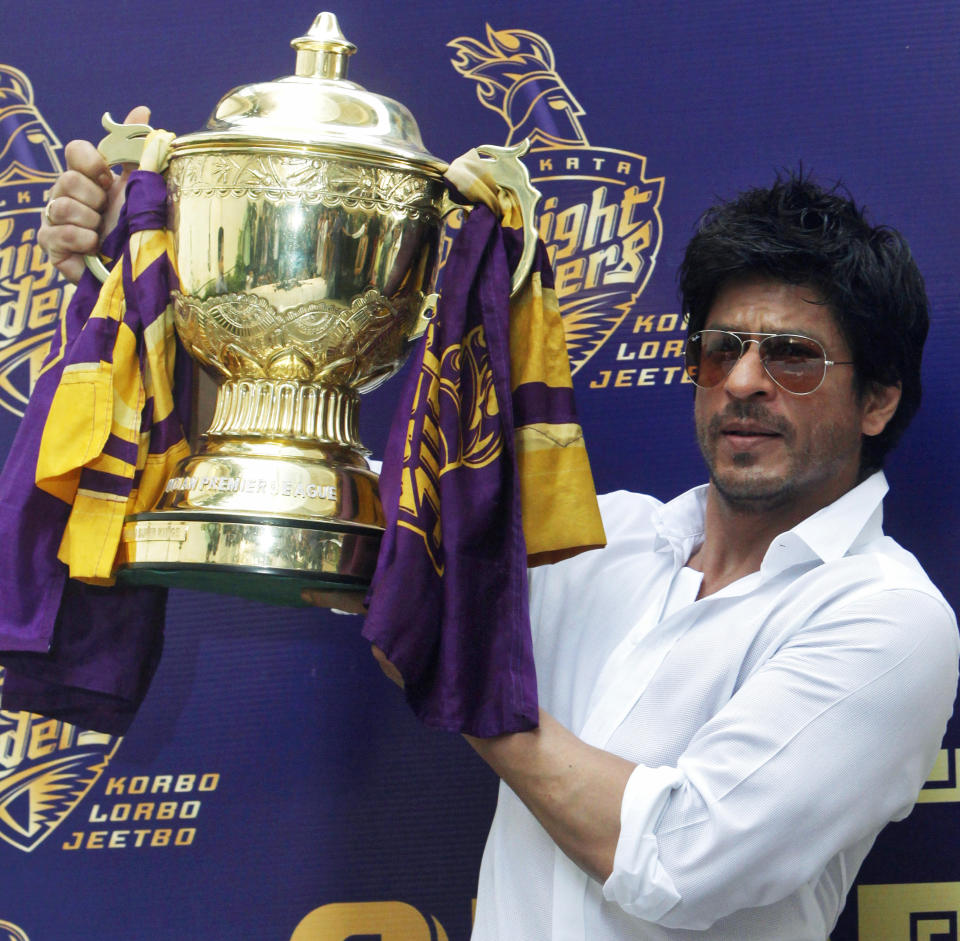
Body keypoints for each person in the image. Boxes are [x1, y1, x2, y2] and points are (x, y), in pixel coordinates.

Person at [40, 126, 959, 940]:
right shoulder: (605, 540)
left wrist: (459, 671)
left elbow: (677, 857)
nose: (745, 381)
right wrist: (148, 268)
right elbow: (353, 548)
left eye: (793, 356)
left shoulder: (888, 618)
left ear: (878, 399)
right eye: (722, 348)